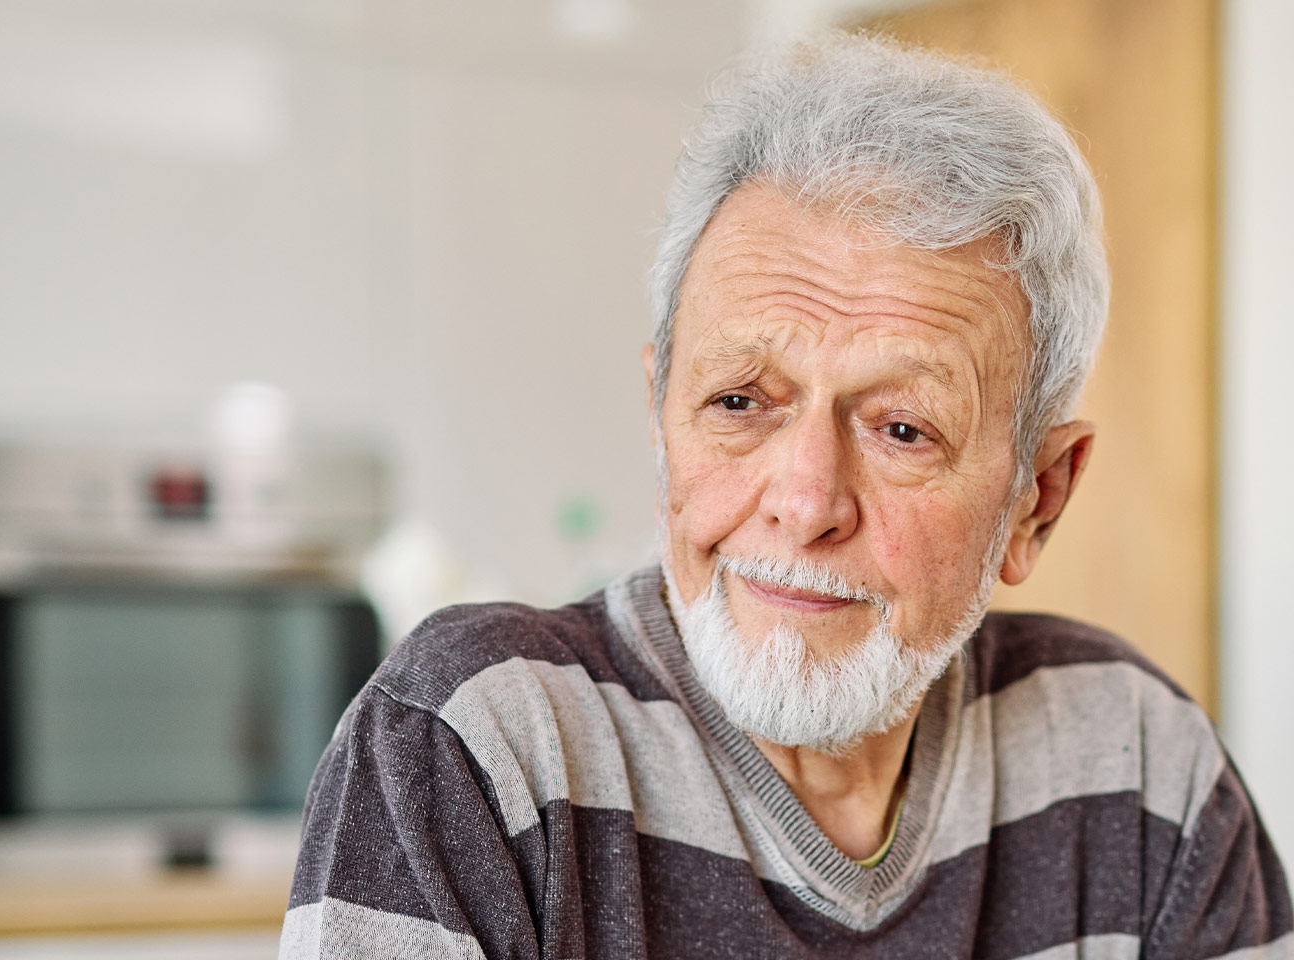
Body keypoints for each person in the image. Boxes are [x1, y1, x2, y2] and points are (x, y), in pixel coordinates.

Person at [279, 33, 1291, 959]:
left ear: (1038, 500)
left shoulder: (1134, 759)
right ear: (660, 415)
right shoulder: (475, 743)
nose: (805, 504)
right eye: (739, 401)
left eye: (902, 429)